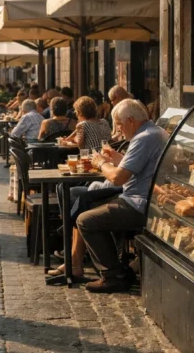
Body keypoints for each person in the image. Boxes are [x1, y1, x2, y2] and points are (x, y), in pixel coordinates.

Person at [77, 99, 167, 293]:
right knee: (88, 202)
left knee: (85, 220)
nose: (117, 129)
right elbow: (136, 168)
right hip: (141, 198)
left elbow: (118, 178)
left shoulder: (143, 138)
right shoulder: (154, 132)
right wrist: (117, 158)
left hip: (140, 203)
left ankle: (113, 275)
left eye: (119, 124)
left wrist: (101, 163)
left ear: (131, 120)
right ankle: (119, 268)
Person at [49, 96, 115, 279]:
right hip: (104, 165)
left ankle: (67, 225)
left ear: (79, 112)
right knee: (71, 190)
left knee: (64, 188)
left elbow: (78, 143)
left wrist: (67, 140)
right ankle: (70, 234)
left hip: (93, 166)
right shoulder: (103, 123)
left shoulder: (82, 126)